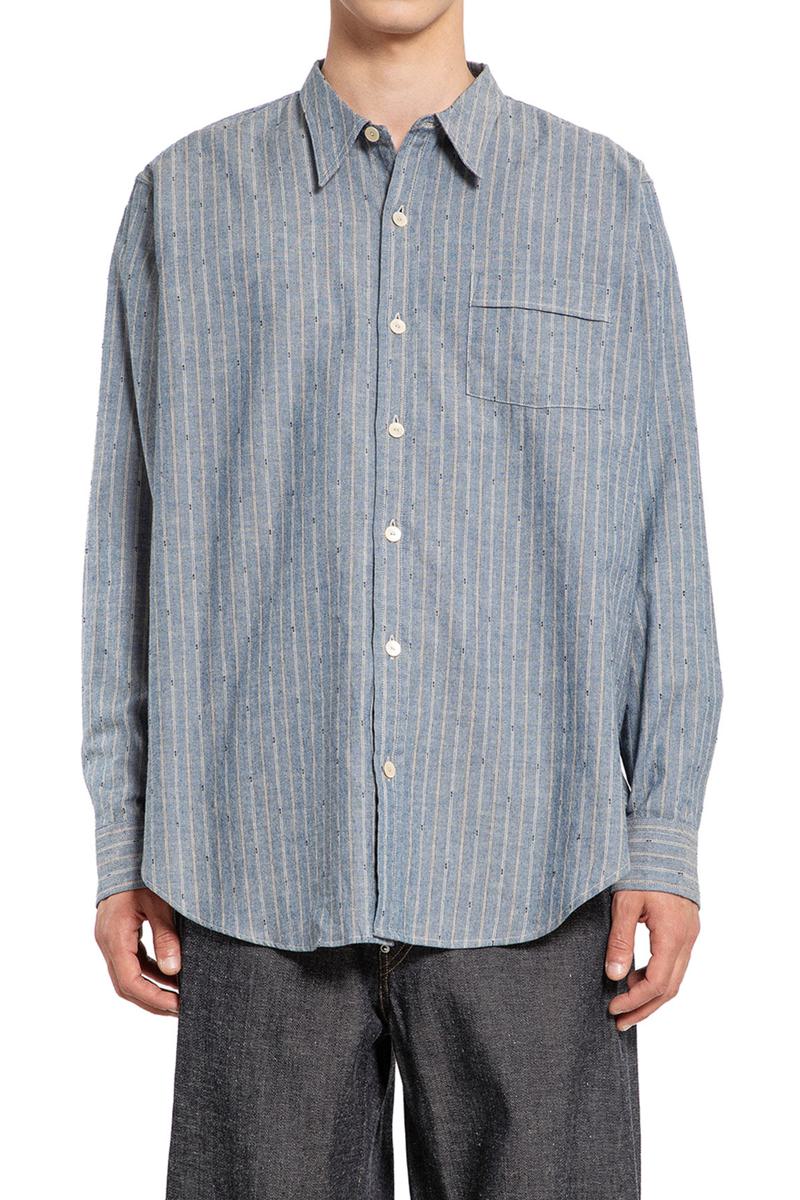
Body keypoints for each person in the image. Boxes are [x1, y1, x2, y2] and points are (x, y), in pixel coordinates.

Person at [81, 1, 723, 1196]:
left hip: (539, 871)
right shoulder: (183, 201)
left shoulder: (602, 201)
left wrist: (663, 832)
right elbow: (128, 545)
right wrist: (124, 838)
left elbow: (661, 534)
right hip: (252, 870)